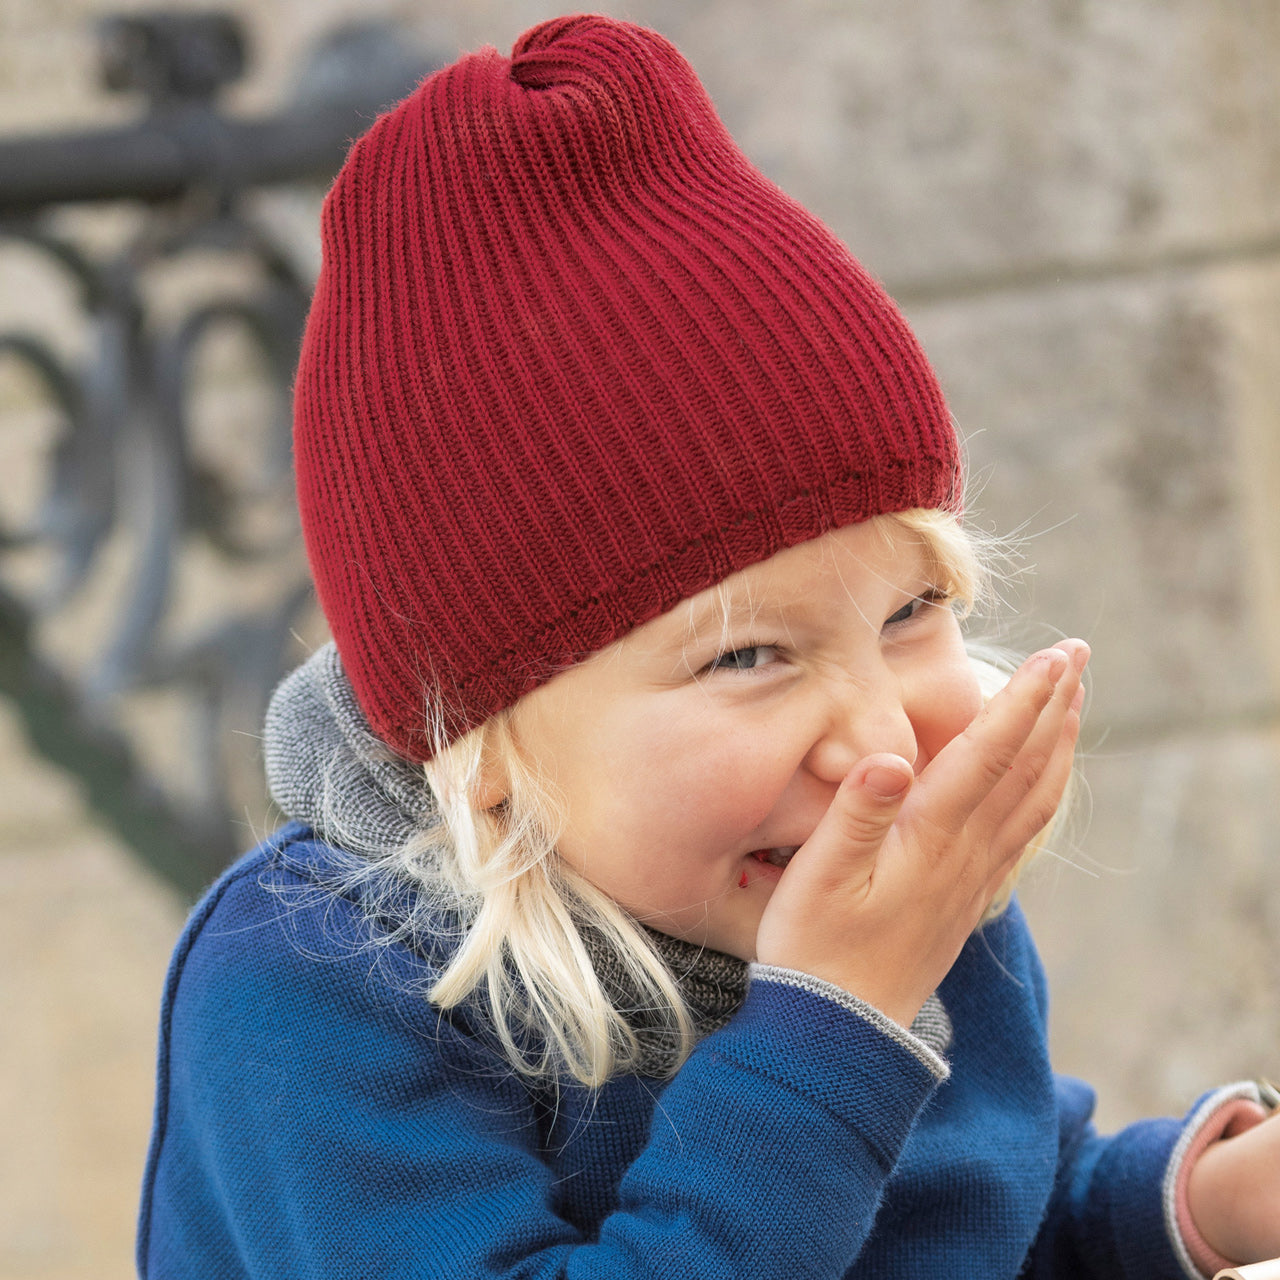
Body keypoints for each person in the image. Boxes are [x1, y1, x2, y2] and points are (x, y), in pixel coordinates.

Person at [136, 14, 1279, 1278]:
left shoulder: (880, 882)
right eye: (747, 656)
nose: (882, 738)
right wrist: (832, 1026)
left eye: (909, 612)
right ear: (486, 737)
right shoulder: (312, 987)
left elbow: (984, 1219)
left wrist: (1214, 1199)